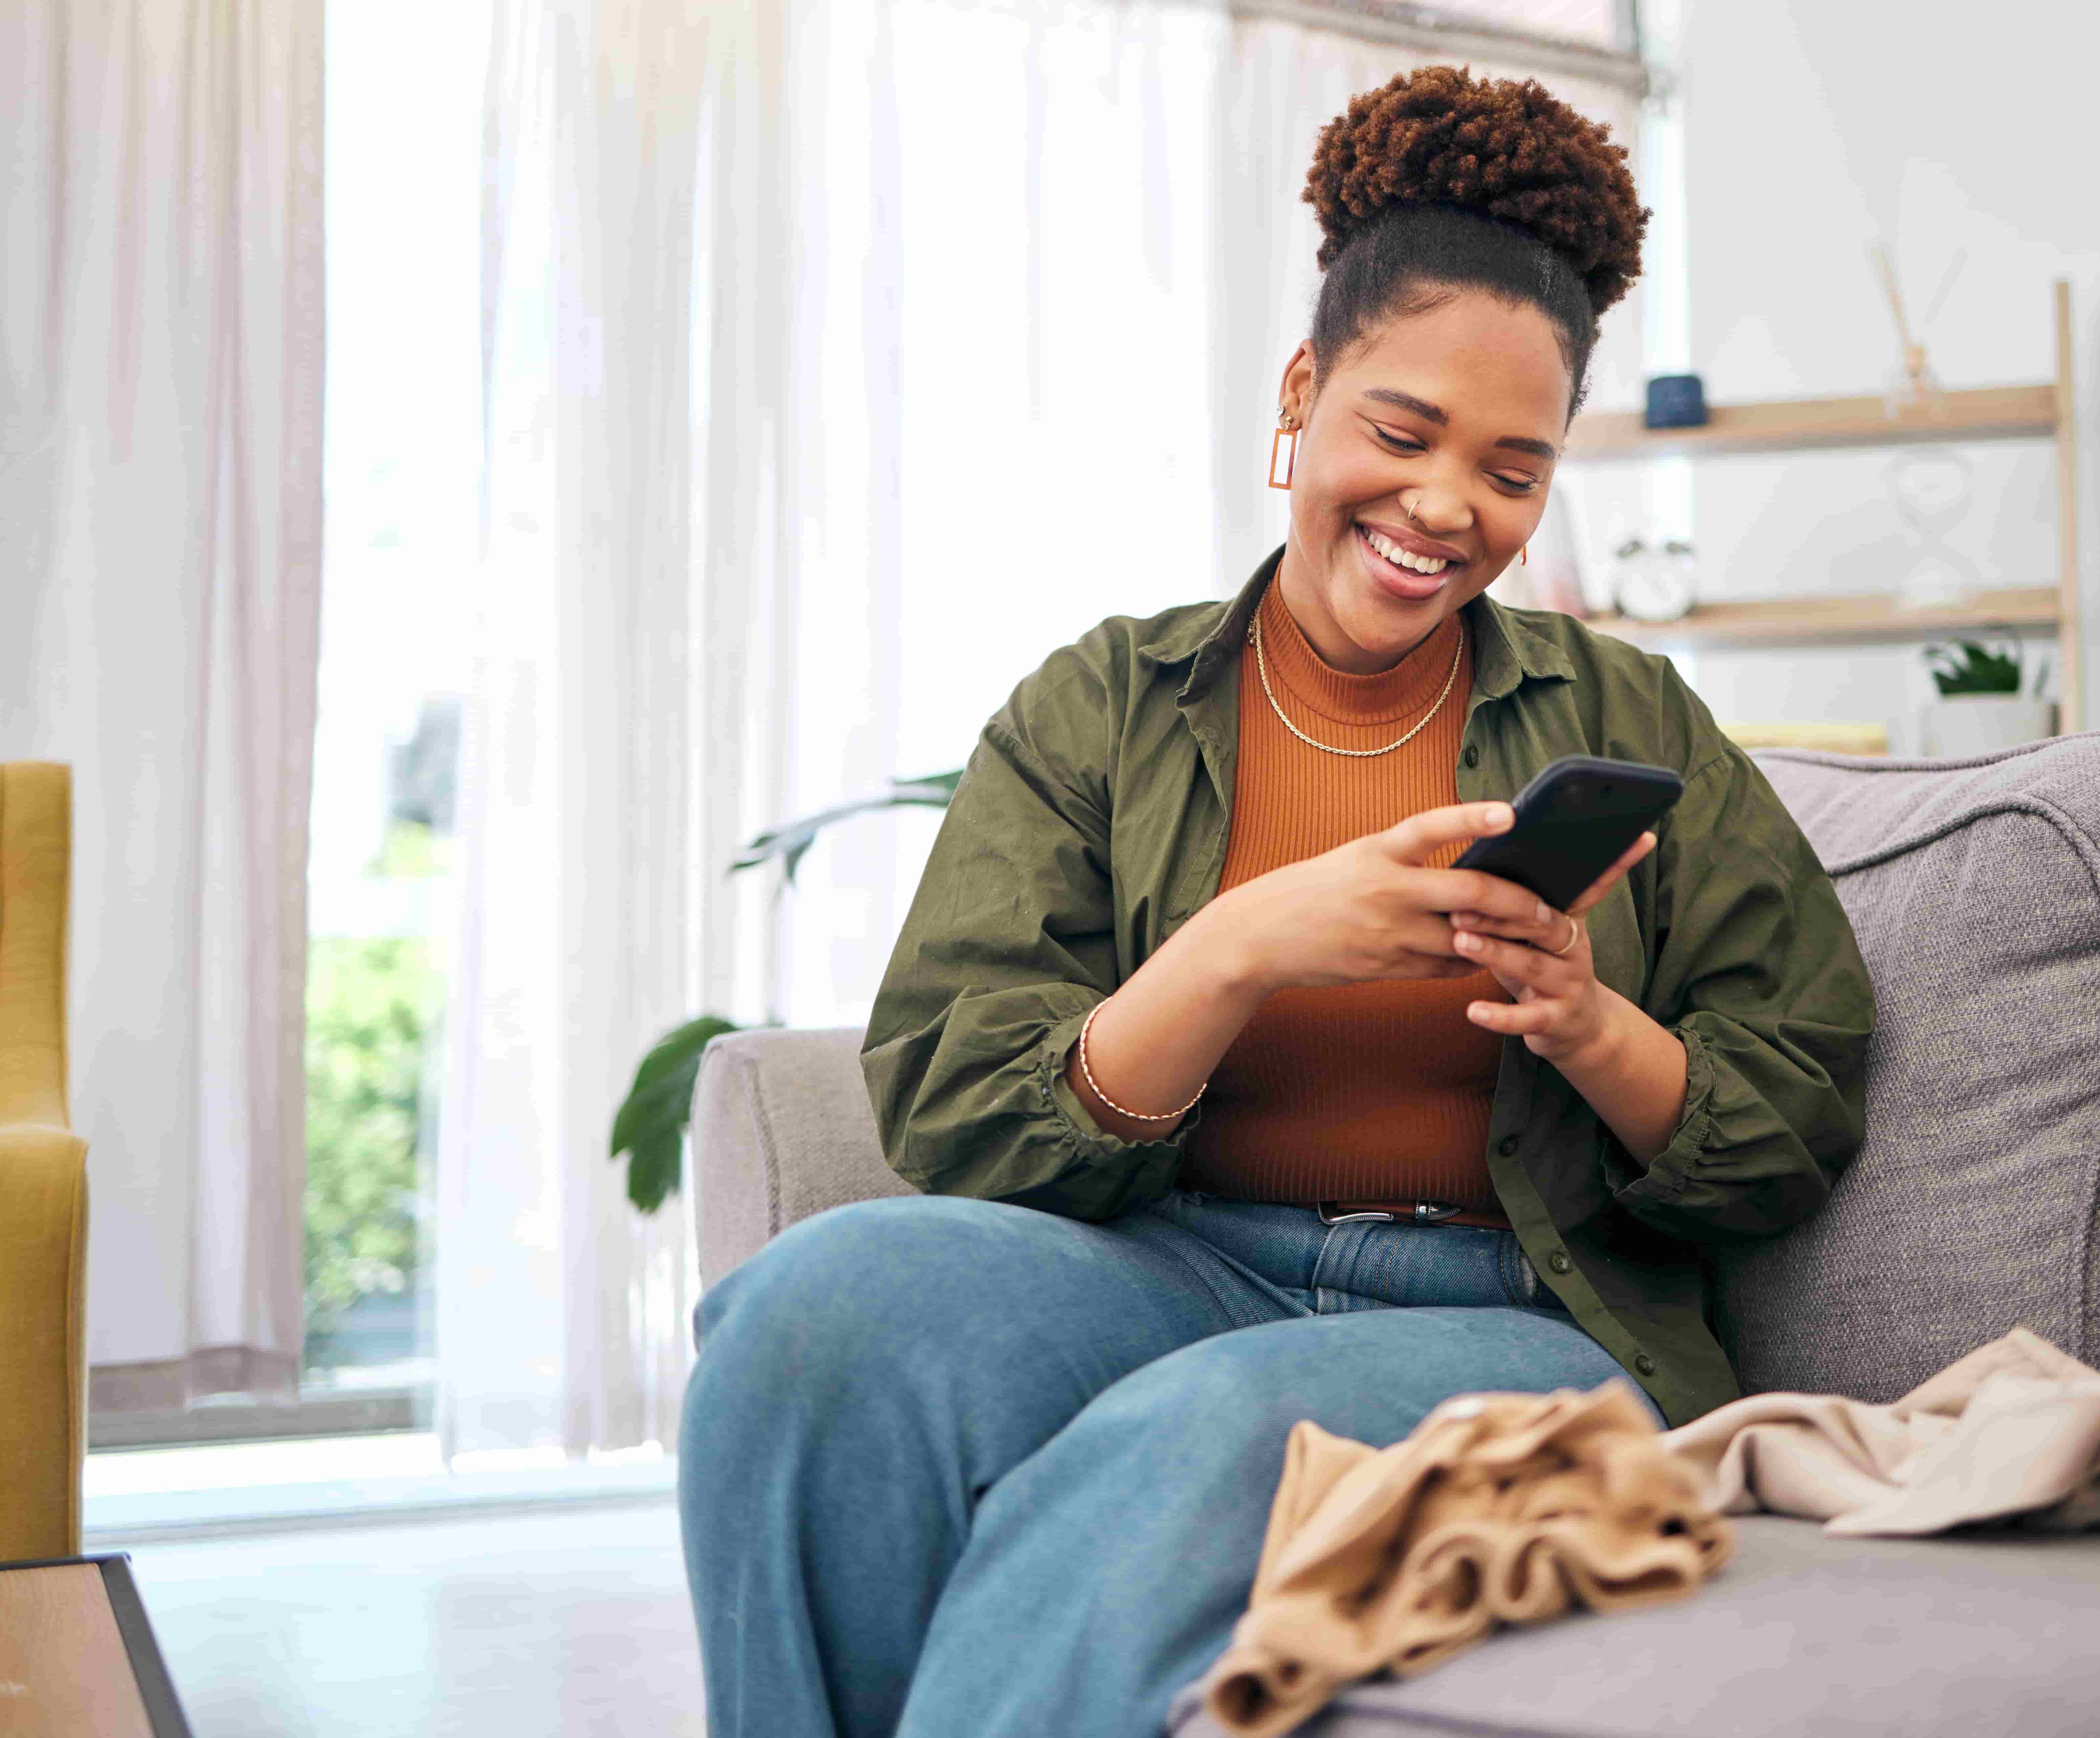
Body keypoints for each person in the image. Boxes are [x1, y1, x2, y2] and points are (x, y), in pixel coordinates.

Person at [679, 66, 1874, 1738]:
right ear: (1304, 395)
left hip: (1517, 1321)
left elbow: (1795, 1114)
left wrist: (1590, 1028)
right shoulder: (1102, 708)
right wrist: (1237, 950)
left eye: (1513, 473)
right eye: (1399, 433)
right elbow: (954, 1111)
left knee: (1221, 1429)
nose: (1448, 506)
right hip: (1172, 1267)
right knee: (818, 1314)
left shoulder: (1634, 723)